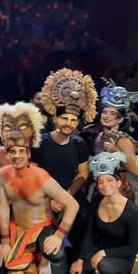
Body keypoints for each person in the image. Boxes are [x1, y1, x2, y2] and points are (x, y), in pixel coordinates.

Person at [0, 102, 79, 274]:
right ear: (7, 154)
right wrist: (5, 242)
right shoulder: (1, 175)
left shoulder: (41, 177)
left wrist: (58, 236)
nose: (17, 156)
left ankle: (42, 258)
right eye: (12, 152)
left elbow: (73, 205)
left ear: (28, 154)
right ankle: (31, 255)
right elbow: (4, 208)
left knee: (55, 254)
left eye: (21, 151)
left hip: (41, 226)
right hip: (17, 226)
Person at [34, 68, 98, 261]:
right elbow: (33, 175)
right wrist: (50, 199)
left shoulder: (79, 143)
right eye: (64, 118)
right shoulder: (41, 142)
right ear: (55, 119)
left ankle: (78, 259)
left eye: (73, 120)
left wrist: (66, 196)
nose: (68, 123)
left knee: (86, 216)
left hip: (70, 193)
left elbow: (83, 174)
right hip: (43, 195)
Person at [69, 154, 138, 274]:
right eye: (101, 182)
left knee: (105, 266)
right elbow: (89, 233)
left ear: (118, 183)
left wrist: (102, 254)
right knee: (77, 266)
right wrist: (80, 260)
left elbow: (132, 249)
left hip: (123, 257)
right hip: (100, 249)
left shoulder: (132, 212)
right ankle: (99, 268)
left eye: (109, 180)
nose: (105, 185)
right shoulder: (98, 202)